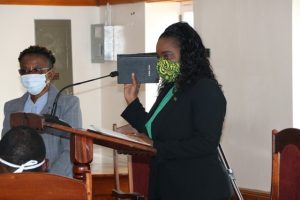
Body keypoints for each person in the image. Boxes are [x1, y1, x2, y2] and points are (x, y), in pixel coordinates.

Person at [121, 22, 232, 199]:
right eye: (159, 57)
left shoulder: (205, 89)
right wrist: (132, 101)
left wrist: (156, 147)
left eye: (167, 56)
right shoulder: (171, 88)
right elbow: (152, 129)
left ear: (187, 55)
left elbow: (206, 142)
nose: (161, 63)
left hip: (197, 188)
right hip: (166, 184)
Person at [2, 45, 82, 177]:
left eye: (36, 70)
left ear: (49, 74)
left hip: (54, 182)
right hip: (17, 183)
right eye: (24, 71)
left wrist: (47, 181)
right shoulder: (11, 107)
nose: (29, 75)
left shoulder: (68, 104)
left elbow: (71, 151)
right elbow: (6, 150)